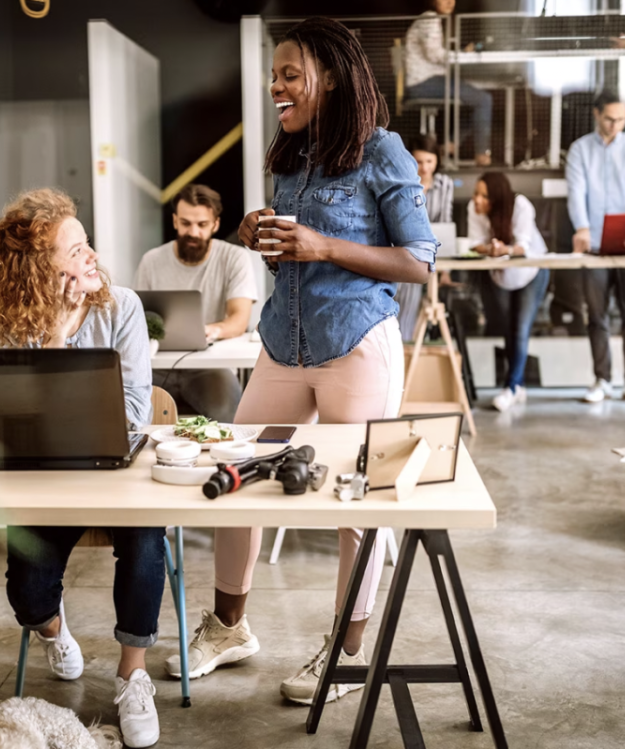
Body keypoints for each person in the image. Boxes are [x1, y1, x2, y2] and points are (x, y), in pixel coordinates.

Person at [167, 17, 437, 707]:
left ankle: (346, 655)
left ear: (332, 76)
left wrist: (323, 247)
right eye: (275, 74)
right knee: (234, 476)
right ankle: (230, 627)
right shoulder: (290, 156)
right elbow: (291, 246)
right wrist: (253, 232)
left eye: (290, 74)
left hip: (355, 346)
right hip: (283, 346)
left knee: (357, 501)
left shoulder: (384, 152)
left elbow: (417, 260)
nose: (276, 86)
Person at [0, 188, 166, 747]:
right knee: (28, 593)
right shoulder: (15, 322)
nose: (92, 257)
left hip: (117, 471)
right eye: (76, 249)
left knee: (145, 542)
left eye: (88, 244)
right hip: (47, 475)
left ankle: (132, 674)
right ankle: (54, 630)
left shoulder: (123, 308)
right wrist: (57, 337)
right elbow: (15, 424)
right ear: (40, 268)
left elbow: (134, 414)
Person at [566, 89, 625, 406]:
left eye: (621, 119)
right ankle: (602, 380)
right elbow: (576, 191)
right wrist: (581, 226)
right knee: (597, 314)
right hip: (594, 244)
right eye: (609, 118)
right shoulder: (580, 150)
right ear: (597, 114)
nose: (615, 125)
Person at [135, 184, 258, 422]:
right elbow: (138, 317)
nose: (193, 232)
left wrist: (211, 330)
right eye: (185, 223)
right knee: (131, 415)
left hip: (210, 366)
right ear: (174, 221)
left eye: (202, 225)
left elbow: (239, 320)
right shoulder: (151, 260)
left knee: (230, 418)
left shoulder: (234, 258)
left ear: (215, 224)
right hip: (157, 366)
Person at [467, 172, 548, 412]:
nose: (477, 200)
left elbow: (522, 247)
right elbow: (474, 243)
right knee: (507, 328)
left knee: (520, 329)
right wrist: (491, 248)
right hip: (502, 274)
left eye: (484, 196)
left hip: (531, 271)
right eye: (476, 194)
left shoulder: (520, 205)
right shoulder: (475, 208)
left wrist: (504, 248)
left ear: (498, 198)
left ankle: (511, 387)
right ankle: (518, 384)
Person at [404, 0, 493, 166]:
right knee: (483, 100)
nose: (449, 2)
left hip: (430, 81)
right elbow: (434, 54)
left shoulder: (434, 19)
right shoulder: (429, 19)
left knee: (474, 101)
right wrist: (461, 55)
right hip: (423, 84)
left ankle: (450, 144)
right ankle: (482, 154)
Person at [394, 133, 452, 341]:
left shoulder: (445, 184)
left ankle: (407, 355)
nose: (425, 167)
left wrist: (445, 268)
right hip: (402, 251)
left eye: (430, 161)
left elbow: (445, 224)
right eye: (419, 161)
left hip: (428, 255)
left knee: (412, 318)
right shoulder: (402, 181)